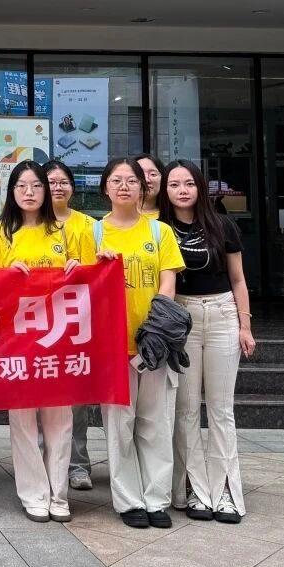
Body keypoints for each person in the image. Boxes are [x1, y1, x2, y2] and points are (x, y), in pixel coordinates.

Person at [0, 161, 94, 523]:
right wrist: (6, 276)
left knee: (60, 418)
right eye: (22, 186)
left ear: (46, 191)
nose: (29, 192)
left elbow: (92, 279)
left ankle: (59, 494)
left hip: (58, 339)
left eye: (36, 186)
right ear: (11, 192)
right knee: (22, 420)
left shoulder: (67, 231)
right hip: (16, 339)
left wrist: (79, 269)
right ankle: (33, 493)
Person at [162, 159, 254, 525]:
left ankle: (226, 490)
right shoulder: (159, 228)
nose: (182, 190)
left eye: (188, 183)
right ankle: (194, 489)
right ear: (165, 190)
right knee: (185, 410)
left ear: (200, 187)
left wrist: (245, 326)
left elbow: (238, 279)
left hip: (222, 314)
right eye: (174, 184)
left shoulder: (222, 225)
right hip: (180, 318)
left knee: (220, 409)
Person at [95, 157, 185, 530]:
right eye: (116, 180)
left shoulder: (160, 232)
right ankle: (128, 500)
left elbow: (168, 281)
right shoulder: (93, 233)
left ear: (143, 188)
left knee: (156, 423)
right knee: (119, 426)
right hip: (112, 345)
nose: (124, 186)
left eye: (132, 180)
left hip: (154, 343)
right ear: (105, 187)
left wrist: (156, 330)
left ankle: (156, 499)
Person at [44, 159, 99, 494]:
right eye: (51, 182)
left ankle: (77, 464)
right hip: (37, 323)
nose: (58, 187)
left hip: (76, 321)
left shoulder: (89, 225)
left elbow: (98, 272)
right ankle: (44, 462)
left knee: (76, 398)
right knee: (40, 397)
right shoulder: (29, 224)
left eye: (63, 181)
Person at [136, 154, 166, 219]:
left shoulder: (170, 217)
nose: (146, 180)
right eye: (140, 173)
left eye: (153, 174)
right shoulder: (118, 215)